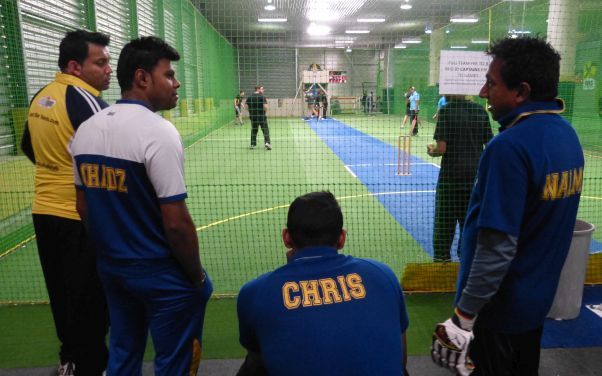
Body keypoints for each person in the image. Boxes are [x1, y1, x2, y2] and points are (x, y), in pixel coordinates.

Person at [431, 37, 584, 376]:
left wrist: (464, 317)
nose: (484, 92)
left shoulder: (509, 147)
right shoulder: (567, 136)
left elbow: (496, 249)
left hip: (498, 311)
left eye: (492, 83)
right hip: (535, 304)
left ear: (522, 92)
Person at [70, 36, 213, 376]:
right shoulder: (158, 132)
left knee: (123, 352)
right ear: (142, 78)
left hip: (113, 269)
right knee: (175, 361)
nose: (176, 84)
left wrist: (111, 254)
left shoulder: (85, 131)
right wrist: (195, 277)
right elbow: (176, 224)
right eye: (169, 75)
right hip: (159, 272)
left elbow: (83, 207)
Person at [237, 191, 410, 376]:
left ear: (286, 237)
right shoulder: (383, 275)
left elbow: (258, 351)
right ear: (342, 238)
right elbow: (401, 360)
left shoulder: (255, 293)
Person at [20, 29, 112, 376]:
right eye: (100, 62)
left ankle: (69, 360)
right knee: (90, 298)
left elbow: (29, 146)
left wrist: (56, 167)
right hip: (78, 215)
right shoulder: (86, 100)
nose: (107, 68)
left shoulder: (42, 96)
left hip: (43, 213)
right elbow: (108, 158)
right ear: (75, 66)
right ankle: (94, 366)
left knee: (61, 292)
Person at [427, 95, 493, 262]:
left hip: (450, 178)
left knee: (444, 225)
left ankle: (442, 262)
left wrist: (430, 150)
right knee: (469, 223)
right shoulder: (480, 111)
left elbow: (441, 148)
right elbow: (489, 145)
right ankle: (466, 261)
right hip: (473, 179)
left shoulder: (446, 111)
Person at [246, 85, 271, 150]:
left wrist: (252, 112)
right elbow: (265, 107)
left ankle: (252, 144)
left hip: (253, 117)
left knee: (254, 130)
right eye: (262, 89)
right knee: (265, 130)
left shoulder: (249, 97)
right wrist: (264, 110)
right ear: (258, 89)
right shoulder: (262, 97)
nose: (263, 90)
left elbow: (246, 108)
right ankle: (267, 143)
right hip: (261, 116)